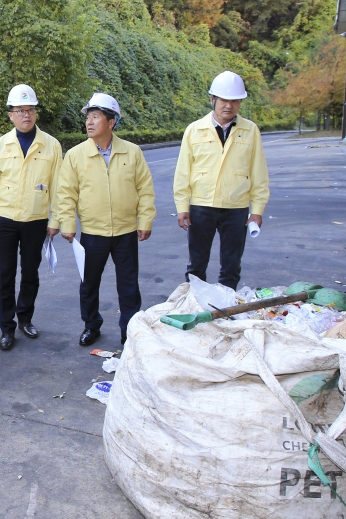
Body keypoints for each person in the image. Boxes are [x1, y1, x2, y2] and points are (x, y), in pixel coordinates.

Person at [56, 92, 156, 347]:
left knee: (128, 286)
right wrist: (68, 224)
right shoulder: (76, 155)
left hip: (125, 232)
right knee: (88, 284)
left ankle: (130, 330)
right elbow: (66, 194)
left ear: (111, 122)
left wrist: (144, 221)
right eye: (88, 117)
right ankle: (91, 326)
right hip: (93, 232)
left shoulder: (132, 153)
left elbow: (145, 190)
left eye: (96, 117)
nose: (89, 122)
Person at [0, 84, 63, 351]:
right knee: (4, 275)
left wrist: (55, 220)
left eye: (29, 110)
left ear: (35, 113)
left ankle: (25, 317)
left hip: (36, 219)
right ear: (11, 115)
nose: (25, 115)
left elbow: (59, 187)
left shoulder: (51, 146)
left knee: (30, 273)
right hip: (4, 219)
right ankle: (7, 327)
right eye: (20, 110)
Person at [173, 71, 269, 289]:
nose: (229, 105)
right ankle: (196, 306)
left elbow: (259, 173)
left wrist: (257, 210)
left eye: (235, 101)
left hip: (236, 208)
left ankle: (225, 311)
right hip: (201, 206)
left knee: (231, 267)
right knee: (196, 265)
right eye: (224, 100)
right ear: (212, 100)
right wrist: (182, 206)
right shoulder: (194, 130)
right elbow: (183, 172)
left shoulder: (250, 130)